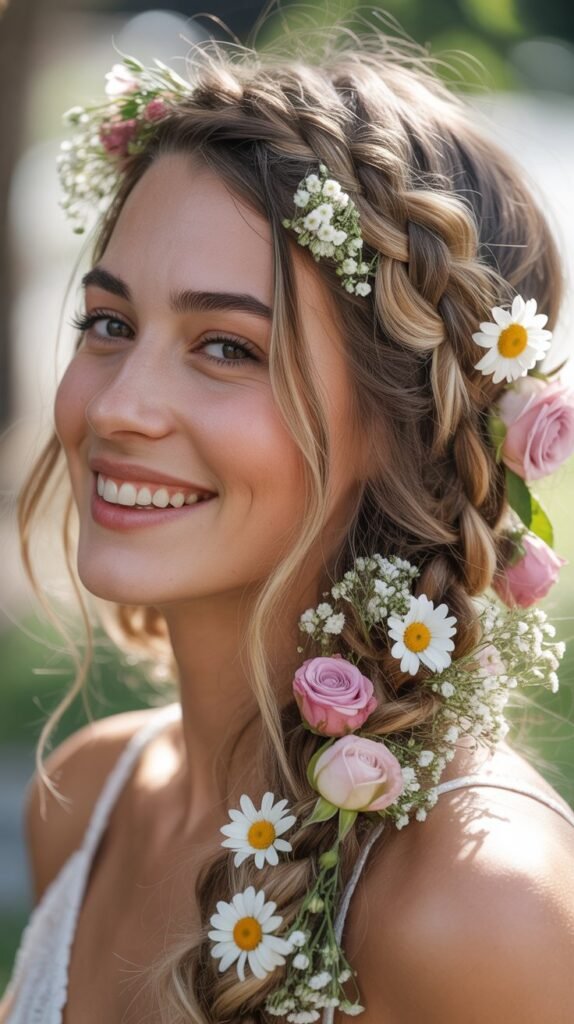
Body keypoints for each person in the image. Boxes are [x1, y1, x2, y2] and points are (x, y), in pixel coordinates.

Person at [2, 25, 574, 1024]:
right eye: (109, 324)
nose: (118, 406)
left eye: (226, 347)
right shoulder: (87, 801)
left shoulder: (480, 908)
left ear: (408, 424)